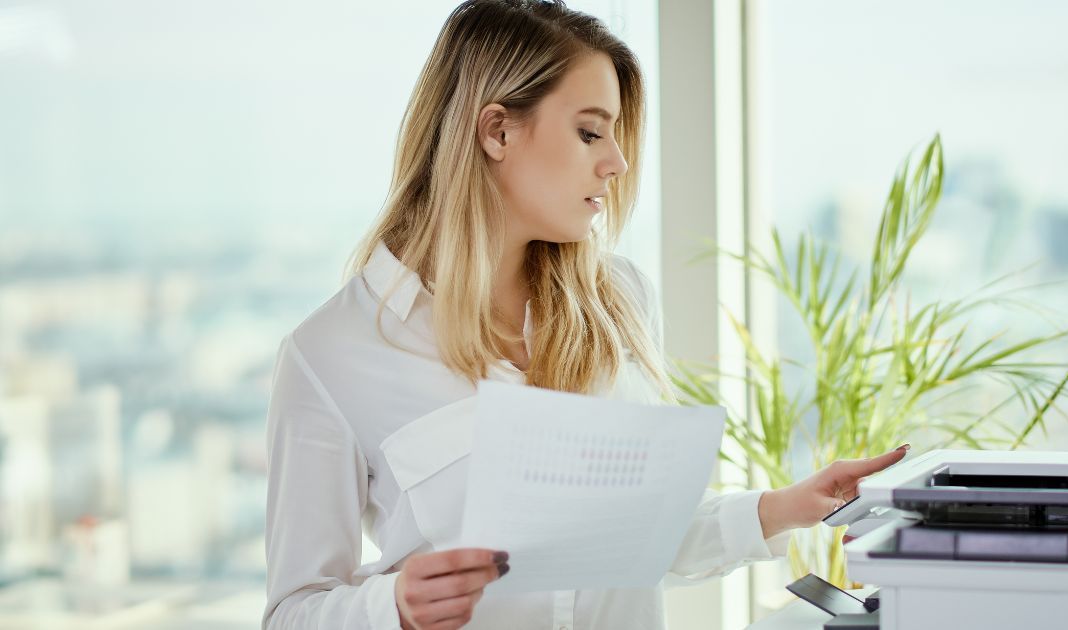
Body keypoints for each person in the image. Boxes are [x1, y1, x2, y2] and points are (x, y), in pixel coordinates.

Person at [262, 1, 909, 629]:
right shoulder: (331, 353)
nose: (618, 163)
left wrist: (789, 507)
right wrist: (391, 609)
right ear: (497, 130)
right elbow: (294, 609)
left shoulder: (619, 298)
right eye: (590, 131)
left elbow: (634, 536)